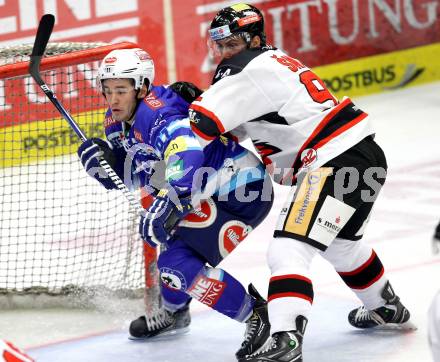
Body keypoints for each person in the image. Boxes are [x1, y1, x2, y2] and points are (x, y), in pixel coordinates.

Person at [188, 3, 416, 361]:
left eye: (231, 43)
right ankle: (386, 306)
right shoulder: (272, 63)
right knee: (341, 246)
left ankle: (286, 339)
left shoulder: (244, 69)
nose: (224, 53)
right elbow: (235, 127)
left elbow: (199, 128)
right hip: (364, 156)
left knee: (288, 249)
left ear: (254, 38)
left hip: (330, 163)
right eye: (220, 46)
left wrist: (175, 114)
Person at [76, 47, 274, 357]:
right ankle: (175, 312)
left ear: (141, 87)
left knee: (175, 263)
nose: (113, 99)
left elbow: (187, 155)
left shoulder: (156, 112)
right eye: (108, 90)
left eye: (121, 90)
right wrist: (107, 169)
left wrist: (169, 201)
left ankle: (257, 317)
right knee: (169, 252)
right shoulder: (115, 123)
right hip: (204, 191)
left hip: (239, 189)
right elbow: (142, 173)